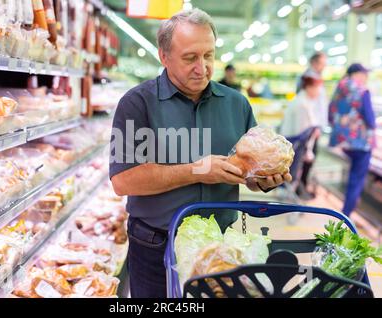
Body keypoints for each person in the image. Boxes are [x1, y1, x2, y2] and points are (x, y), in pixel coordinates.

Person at [109, 9, 292, 298]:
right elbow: (123, 181)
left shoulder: (236, 104)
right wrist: (196, 171)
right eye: (190, 57)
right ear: (164, 56)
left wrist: (261, 179)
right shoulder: (136, 104)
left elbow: (250, 170)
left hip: (222, 248)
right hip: (156, 246)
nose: (202, 67)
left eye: (209, 55)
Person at [329, 63, 376, 217]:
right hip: (361, 143)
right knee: (356, 178)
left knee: (351, 176)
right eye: (364, 74)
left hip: (342, 141)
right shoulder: (362, 91)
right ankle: (346, 213)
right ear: (358, 73)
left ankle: (347, 208)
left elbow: (331, 113)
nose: (366, 78)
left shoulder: (339, 88)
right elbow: (370, 119)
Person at [281, 76, 323, 198]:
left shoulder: (302, 101)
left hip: (294, 144)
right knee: (293, 173)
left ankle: (295, 190)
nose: (319, 92)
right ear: (309, 88)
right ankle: (293, 192)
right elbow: (302, 132)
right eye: (318, 88)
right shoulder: (302, 104)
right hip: (295, 146)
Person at [297, 52, 329, 129]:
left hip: (315, 122)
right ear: (314, 63)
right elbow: (306, 103)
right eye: (322, 64)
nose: (324, 67)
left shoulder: (316, 76)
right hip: (311, 124)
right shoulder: (308, 78)